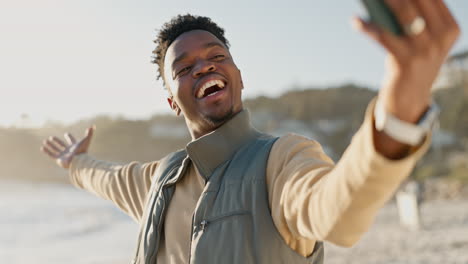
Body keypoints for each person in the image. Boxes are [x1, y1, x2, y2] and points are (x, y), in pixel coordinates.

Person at [41, 1, 460, 263]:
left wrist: (399, 113)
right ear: (172, 100)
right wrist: (74, 162)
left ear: (238, 76)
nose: (202, 66)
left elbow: (337, 209)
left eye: (215, 56)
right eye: (183, 68)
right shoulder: (156, 181)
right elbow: (104, 177)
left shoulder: (282, 159)